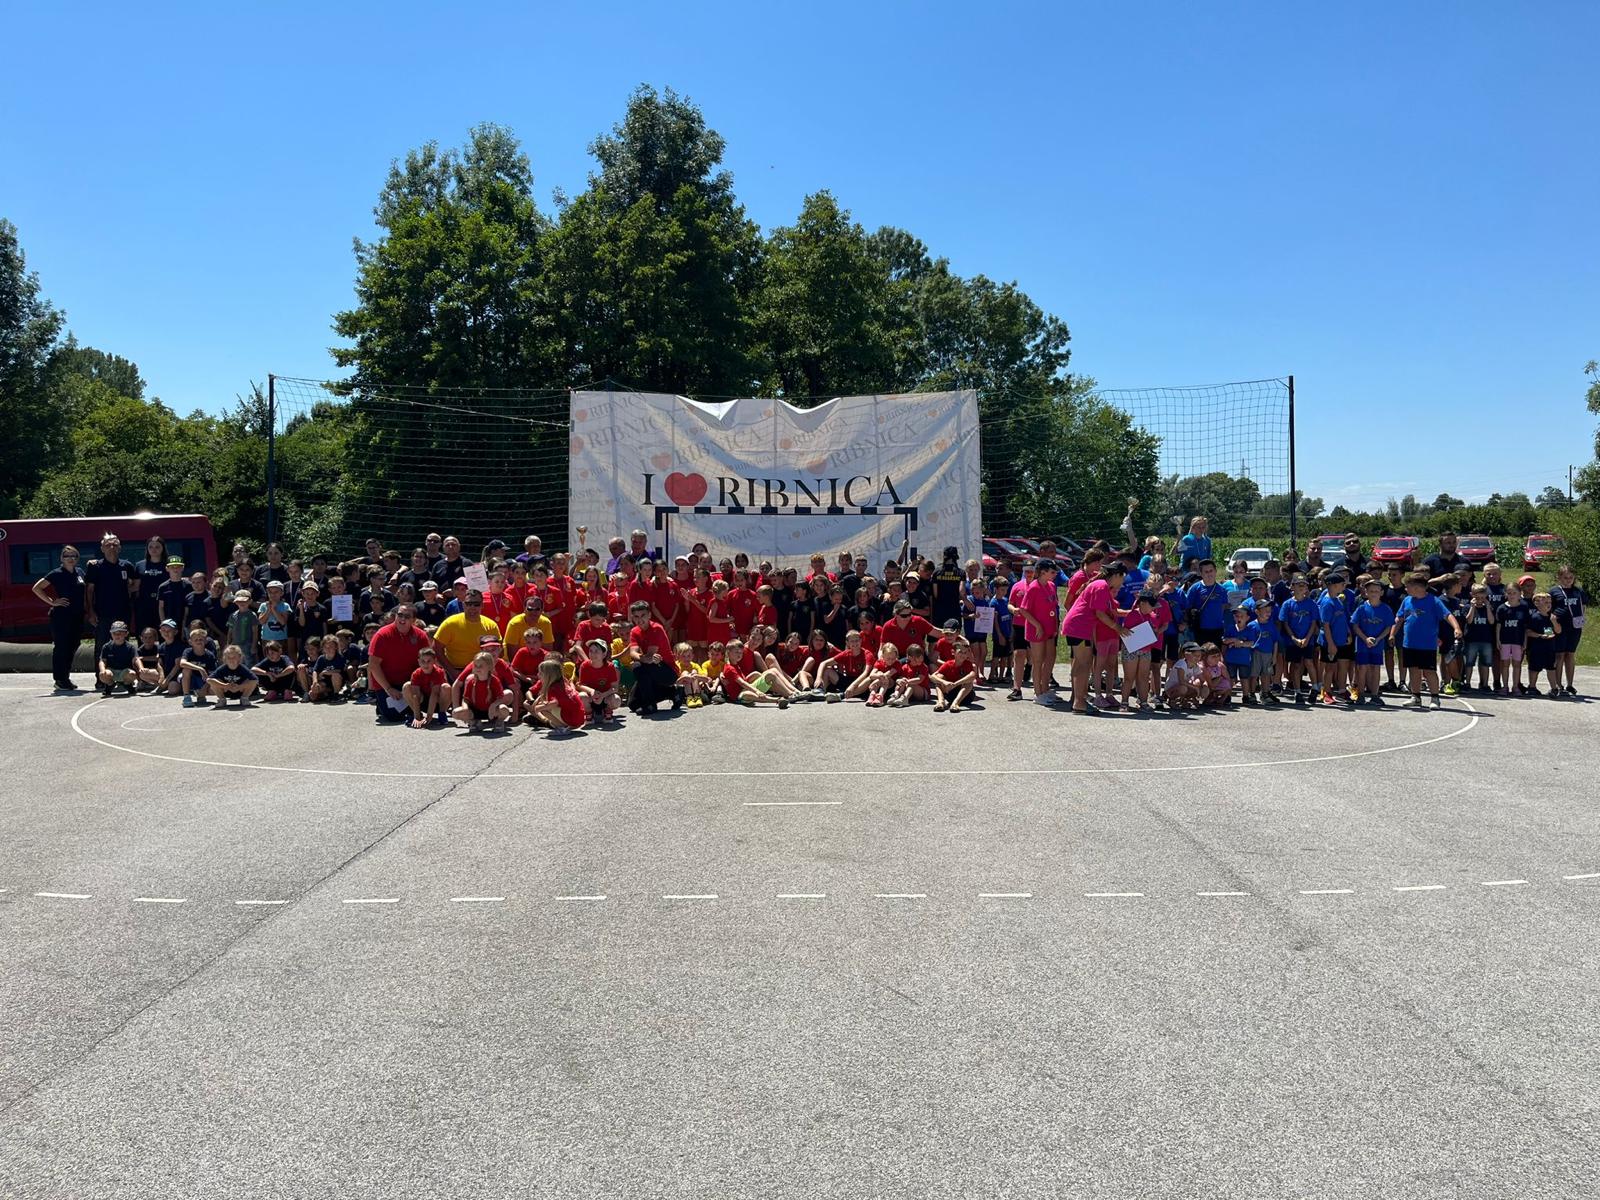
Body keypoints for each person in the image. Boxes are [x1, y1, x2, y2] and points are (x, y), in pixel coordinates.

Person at [1062, 561, 1128, 714]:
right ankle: (1079, 702)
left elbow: (1112, 610)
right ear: (1117, 575)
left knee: (1080, 664)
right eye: (1123, 577)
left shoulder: (1103, 586)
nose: (1123, 581)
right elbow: (1100, 613)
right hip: (1079, 627)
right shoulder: (1101, 586)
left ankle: (1077, 699)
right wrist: (1117, 628)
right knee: (1084, 664)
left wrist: (1132, 612)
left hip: (1079, 627)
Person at [1394, 572, 1461, 709]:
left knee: (1429, 671)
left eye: (1408, 586)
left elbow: (1447, 615)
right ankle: (1415, 697)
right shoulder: (1407, 600)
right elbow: (1399, 618)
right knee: (1413, 670)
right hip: (1409, 643)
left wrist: (1456, 627)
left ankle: (1435, 698)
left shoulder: (1434, 601)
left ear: (1417, 587)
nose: (1406, 589)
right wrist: (1392, 634)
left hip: (1427, 644)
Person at [32, 545, 87, 691]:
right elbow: (37, 588)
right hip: (61, 616)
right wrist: (52, 602)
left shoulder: (80, 572)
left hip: (77, 615)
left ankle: (65, 677)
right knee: (62, 647)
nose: (71, 559)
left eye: (74, 556)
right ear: (61, 558)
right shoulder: (56, 573)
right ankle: (59, 679)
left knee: (73, 645)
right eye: (67, 556)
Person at [367, 605, 432, 723]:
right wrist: (388, 689)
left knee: (429, 705)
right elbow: (373, 665)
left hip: (411, 683)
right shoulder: (382, 635)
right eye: (400, 615)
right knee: (394, 717)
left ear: (413, 620)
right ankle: (382, 704)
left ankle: (412, 707)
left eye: (407, 616)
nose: (402, 619)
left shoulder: (421, 636)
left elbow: (428, 661)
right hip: (388, 684)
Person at [84, 532, 138, 654]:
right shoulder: (95, 566)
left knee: (123, 645)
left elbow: (136, 584)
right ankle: (101, 667)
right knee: (101, 646)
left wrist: (125, 590)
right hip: (102, 614)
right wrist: (90, 611)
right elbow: (89, 590)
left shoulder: (127, 566)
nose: (112, 547)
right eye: (108, 545)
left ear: (120, 548)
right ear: (102, 548)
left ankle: (123, 666)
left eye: (115, 544)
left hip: (123, 613)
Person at [625, 600, 681, 714]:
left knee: (637, 667)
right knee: (633, 704)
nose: (640, 619)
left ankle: (650, 705)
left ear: (649, 615)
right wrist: (642, 658)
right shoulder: (634, 631)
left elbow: (650, 656)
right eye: (636, 616)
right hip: (649, 667)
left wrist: (642, 658)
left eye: (643, 615)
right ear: (633, 618)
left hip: (668, 670)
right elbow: (633, 652)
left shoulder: (656, 628)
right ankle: (673, 692)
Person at [432, 591, 500, 678]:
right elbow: (437, 648)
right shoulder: (450, 623)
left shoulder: (491, 625)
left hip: (483, 671)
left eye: (476, 604)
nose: (472, 607)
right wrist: (452, 672)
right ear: (463, 605)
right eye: (469, 604)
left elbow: (498, 650)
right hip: (455, 670)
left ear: (482, 605)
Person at [1351, 580, 1395, 706]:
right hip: (1362, 644)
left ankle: (1374, 695)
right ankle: (1360, 694)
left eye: (1376, 591)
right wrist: (1365, 638)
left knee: (1375, 668)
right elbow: (1355, 625)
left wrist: (1379, 639)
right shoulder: (1361, 608)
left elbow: (1388, 626)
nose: (1374, 593)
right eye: (1371, 591)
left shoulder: (1385, 609)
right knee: (1362, 668)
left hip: (1377, 644)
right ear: (1366, 592)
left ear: (1381, 592)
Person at [1278, 575, 1320, 705]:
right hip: (1293, 640)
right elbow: (1285, 623)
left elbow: (1313, 623)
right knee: (1295, 665)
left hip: (1308, 639)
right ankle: (1297, 691)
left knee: (1309, 662)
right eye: (1299, 584)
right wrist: (1293, 638)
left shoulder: (1311, 604)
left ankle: (1315, 687)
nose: (1302, 587)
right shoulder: (1287, 604)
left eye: (1304, 585)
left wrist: (1307, 638)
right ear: (1292, 587)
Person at [1315, 574, 1354, 707]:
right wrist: (1331, 644)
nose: (1344, 586)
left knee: (1343, 665)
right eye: (1342, 584)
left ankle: (1342, 690)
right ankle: (1326, 692)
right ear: (1333, 585)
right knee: (1330, 667)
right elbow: (1325, 625)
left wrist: (1348, 633)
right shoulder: (1327, 603)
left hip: (1341, 639)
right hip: (1329, 641)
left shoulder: (1337, 599)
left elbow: (1343, 619)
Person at [1549, 565, 1587, 697]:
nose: (1568, 580)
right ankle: (1558, 685)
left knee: (1570, 654)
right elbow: (1549, 608)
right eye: (1565, 578)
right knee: (1559, 655)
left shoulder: (1578, 591)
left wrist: (1582, 618)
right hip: (1560, 627)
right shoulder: (1554, 591)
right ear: (1559, 578)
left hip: (1575, 627)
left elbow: (1583, 606)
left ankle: (1570, 684)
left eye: (1571, 577)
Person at [453, 650, 513, 732]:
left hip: (491, 711)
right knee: (456, 713)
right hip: (475, 711)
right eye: (476, 665)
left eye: (481, 666)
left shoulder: (494, 680)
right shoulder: (471, 681)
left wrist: (493, 705)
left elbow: (500, 697)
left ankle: (499, 721)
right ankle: (474, 722)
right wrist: (465, 708)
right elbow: (465, 699)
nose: (477, 668)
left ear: (489, 667)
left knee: (504, 709)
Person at [530, 658, 587, 733]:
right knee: (545, 706)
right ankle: (562, 726)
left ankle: (562, 729)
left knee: (543, 709)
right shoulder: (562, 683)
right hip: (578, 718)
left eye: (540, 673)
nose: (538, 675)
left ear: (548, 675)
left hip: (572, 719)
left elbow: (555, 702)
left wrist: (538, 708)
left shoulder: (553, 687)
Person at [1523, 592, 1563, 698]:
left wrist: (1554, 622)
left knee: (1551, 668)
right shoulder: (1534, 617)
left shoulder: (1552, 617)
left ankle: (1554, 688)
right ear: (1537, 603)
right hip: (1536, 648)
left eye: (1550, 602)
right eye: (1545, 602)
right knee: (1534, 668)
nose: (1548, 604)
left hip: (1549, 648)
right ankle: (1532, 687)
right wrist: (1540, 636)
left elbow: (1558, 631)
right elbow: (1528, 632)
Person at [1494, 583, 1529, 695]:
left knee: (1517, 665)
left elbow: (1525, 627)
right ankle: (1505, 686)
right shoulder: (1502, 608)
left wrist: (1525, 641)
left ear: (1519, 594)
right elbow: (1498, 626)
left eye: (1514, 593)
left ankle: (1515, 686)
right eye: (1509, 593)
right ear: (1505, 594)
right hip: (1505, 640)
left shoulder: (1523, 607)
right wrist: (1498, 640)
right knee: (1505, 664)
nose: (1512, 595)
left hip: (1518, 640)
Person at [577, 639, 623, 723]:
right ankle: (588, 713)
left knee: (616, 700)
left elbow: (615, 688)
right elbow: (580, 685)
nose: (593, 654)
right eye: (591, 651)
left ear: (604, 654)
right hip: (591, 698)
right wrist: (591, 691)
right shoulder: (584, 666)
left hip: (605, 697)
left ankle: (607, 711)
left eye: (596, 651)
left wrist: (602, 695)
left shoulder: (610, 667)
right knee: (581, 696)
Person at [1223, 605, 1260, 705]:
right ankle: (1228, 695)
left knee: (1244, 678)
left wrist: (1241, 643)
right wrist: (1233, 640)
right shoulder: (1230, 628)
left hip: (1244, 659)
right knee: (1230, 678)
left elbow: (1252, 643)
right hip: (1231, 658)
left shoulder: (1249, 630)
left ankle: (1245, 696)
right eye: (1237, 616)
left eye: (1241, 616)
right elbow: (1224, 640)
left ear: (1247, 618)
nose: (1239, 618)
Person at [132, 534, 170, 633]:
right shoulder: (139, 565)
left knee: (164, 633)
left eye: (157, 547)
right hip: (144, 606)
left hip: (163, 605)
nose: (154, 549)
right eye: (151, 547)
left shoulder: (168, 565)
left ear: (163, 548)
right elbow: (136, 586)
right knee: (144, 634)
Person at [404, 646, 449, 727]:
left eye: (429, 661)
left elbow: (434, 694)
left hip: (437, 702)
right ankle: (417, 714)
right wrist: (417, 717)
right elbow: (416, 695)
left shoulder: (438, 672)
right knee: (407, 686)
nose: (426, 664)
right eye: (423, 661)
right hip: (423, 701)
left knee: (446, 687)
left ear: (434, 661)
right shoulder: (416, 674)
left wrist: (429, 716)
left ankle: (442, 713)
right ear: (418, 661)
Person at [931, 639, 978, 713]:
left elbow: (972, 676)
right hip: (950, 693)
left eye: (965, 653)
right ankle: (941, 702)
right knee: (939, 677)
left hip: (966, 696)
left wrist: (956, 684)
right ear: (953, 652)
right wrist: (944, 682)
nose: (963, 655)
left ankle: (956, 703)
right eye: (960, 652)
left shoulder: (969, 664)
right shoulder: (948, 664)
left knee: (969, 682)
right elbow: (933, 676)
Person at [178, 627, 219, 707]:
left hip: (203, 680)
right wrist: (200, 668)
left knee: (214, 690)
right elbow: (182, 663)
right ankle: (186, 697)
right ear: (190, 642)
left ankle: (201, 696)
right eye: (196, 640)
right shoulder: (188, 651)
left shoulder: (210, 655)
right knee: (186, 669)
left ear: (206, 641)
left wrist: (204, 688)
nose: (198, 641)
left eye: (201, 639)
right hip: (190, 679)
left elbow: (212, 675)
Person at [95, 621, 139, 696]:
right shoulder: (106, 646)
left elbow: (136, 659)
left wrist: (140, 668)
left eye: (120, 633)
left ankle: (127, 685)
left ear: (126, 634)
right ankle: (110, 685)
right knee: (102, 675)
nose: (117, 635)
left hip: (125, 671)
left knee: (132, 674)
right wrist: (102, 670)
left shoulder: (130, 647)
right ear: (111, 634)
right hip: (111, 671)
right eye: (114, 633)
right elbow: (102, 660)